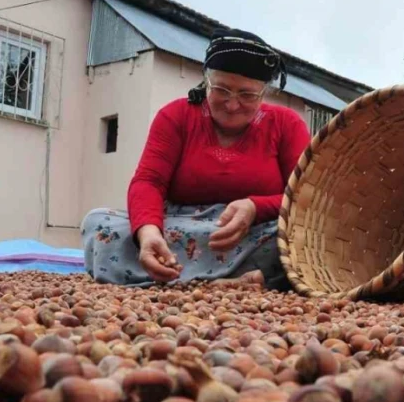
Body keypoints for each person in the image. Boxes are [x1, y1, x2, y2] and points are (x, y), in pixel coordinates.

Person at [81, 28, 312, 289]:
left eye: (247, 95)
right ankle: (258, 278)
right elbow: (148, 182)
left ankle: (183, 278)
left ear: (264, 93)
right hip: (180, 225)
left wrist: (255, 208)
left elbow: (303, 197)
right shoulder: (176, 116)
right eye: (222, 89)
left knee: (304, 237)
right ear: (206, 82)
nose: (232, 104)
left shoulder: (286, 124)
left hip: (254, 231)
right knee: (100, 223)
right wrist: (148, 233)